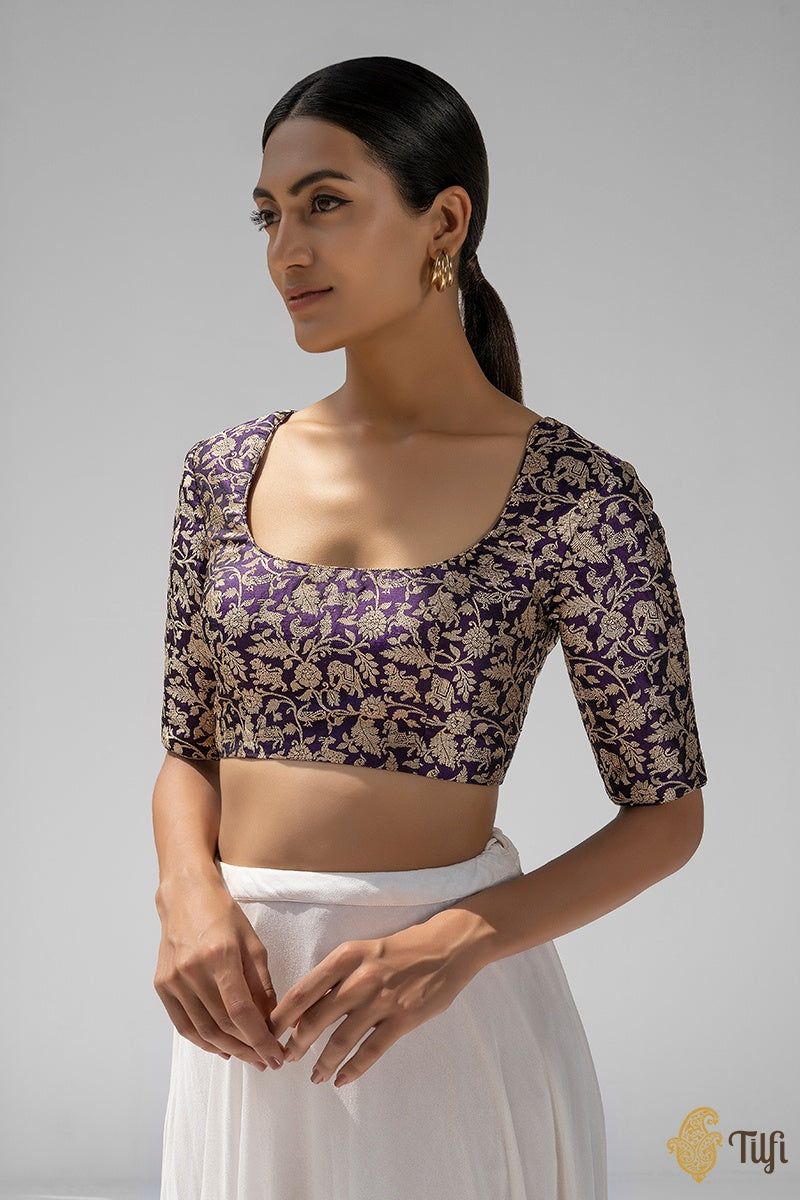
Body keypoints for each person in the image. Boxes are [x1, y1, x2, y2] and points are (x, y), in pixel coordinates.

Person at [153, 55, 708, 1200]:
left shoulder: (576, 498)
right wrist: (189, 899)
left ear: (442, 222)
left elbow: (665, 816)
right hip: (238, 1009)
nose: (285, 251)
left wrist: (461, 941)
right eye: (267, 214)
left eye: (325, 203)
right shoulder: (220, 472)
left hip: (442, 1019)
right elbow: (187, 751)